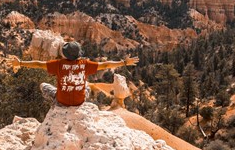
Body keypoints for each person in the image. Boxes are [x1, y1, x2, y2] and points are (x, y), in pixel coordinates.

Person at [9, 41, 139, 106]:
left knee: (44, 86)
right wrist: (124, 62)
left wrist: (20, 63)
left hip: (61, 102)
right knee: (87, 86)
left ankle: (54, 110)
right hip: (80, 102)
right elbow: (105, 65)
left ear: (64, 54)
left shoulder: (58, 64)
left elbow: (38, 64)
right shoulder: (84, 64)